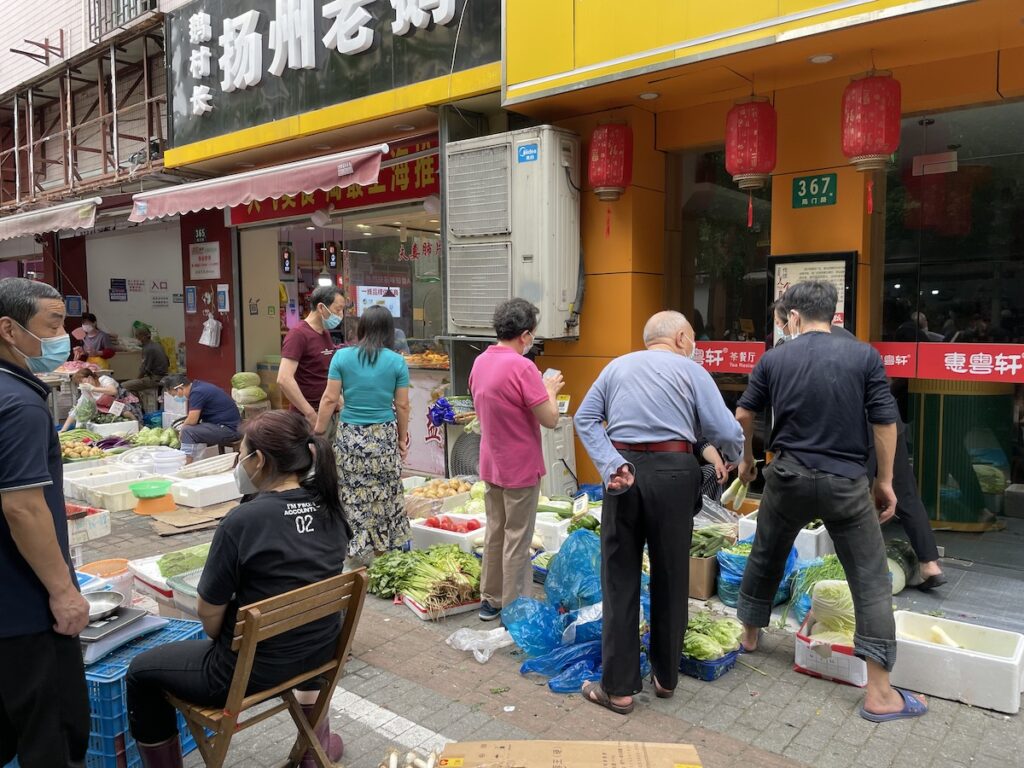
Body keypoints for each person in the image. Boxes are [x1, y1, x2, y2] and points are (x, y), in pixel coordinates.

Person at [736, 281, 927, 723]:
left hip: (787, 477)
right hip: (845, 481)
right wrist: (885, 482)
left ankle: (748, 636)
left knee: (766, 554)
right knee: (869, 580)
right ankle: (880, 693)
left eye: (783, 318)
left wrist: (748, 460)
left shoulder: (774, 358)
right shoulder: (863, 356)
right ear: (833, 316)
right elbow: (884, 423)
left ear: (795, 317)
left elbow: (744, 413)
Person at [125, 410, 351, 768]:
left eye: (241, 454)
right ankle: (313, 752)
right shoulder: (332, 509)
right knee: (298, 632)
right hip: (318, 655)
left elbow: (209, 617)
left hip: (245, 673)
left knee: (140, 672)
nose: (239, 463)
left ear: (258, 460)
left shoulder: (242, 521)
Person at [574, 310, 744, 714]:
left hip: (624, 472)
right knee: (671, 575)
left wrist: (610, 463)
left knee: (620, 578)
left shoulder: (616, 367)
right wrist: (736, 457)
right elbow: (725, 430)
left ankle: (617, 690)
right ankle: (665, 678)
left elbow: (585, 419)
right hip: (674, 474)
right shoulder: (691, 371)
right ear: (683, 337)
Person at [773, 300, 946, 589]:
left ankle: (865, 574)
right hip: (888, 425)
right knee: (904, 491)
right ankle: (930, 564)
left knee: (856, 502)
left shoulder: (803, 349)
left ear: (793, 319)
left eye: (780, 324)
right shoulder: (845, 337)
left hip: (859, 433)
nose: (780, 330)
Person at [0, 278, 90, 767]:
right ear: (9, 330)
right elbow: (23, 507)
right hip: (25, 606)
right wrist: (62, 591)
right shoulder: (18, 405)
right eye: (53, 324)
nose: (65, 336)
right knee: (54, 736)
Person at [468, 299, 565, 621]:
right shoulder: (523, 367)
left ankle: (490, 599)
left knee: (496, 532)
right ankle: (515, 608)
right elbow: (550, 418)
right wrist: (549, 389)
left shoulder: (480, 362)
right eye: (533, 336)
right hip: (520, 466)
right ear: (524, 335)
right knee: (517, 539)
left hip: (491, 463)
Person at [315, 305, 410, 563]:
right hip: (383, 438)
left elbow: (329, 399)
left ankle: (353, 557)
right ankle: (382, 556)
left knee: (351, 495)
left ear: (362, 328)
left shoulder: (342, 357)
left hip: (350, 439)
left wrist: (319, 431)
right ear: (390, 331)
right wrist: (402, 438)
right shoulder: (397, 361)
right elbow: (402, 405)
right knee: (384, 494)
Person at [278, 286, 344, 429]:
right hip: (307, 420)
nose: (341, 315)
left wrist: (338, 400)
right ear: (321, 307)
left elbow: (323, 373)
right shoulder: (298, 334)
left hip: (329, 413)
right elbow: (284, 379)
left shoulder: (324, 333)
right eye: (338, 309)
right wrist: (310, 414)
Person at [162, 373, 242, 463]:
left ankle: (186, 464)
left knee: (187, 431)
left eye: (174, 395)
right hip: (227, 426)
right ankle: (194, 460)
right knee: (189, 429)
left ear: (179, 389)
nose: (175, 398)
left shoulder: (197, 392)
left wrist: (183, 429)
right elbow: (193, 417)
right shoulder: (198, 387)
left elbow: (192, 420)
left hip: (230, 430)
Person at [61, 368, 144, 431]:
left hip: (124, 403)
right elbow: (77, 409)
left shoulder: (104, 379)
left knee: (127, 413)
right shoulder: (86, 390)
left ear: (90, 377)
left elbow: (113, 391)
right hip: (108, 410)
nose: (81, 384)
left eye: (82, 381)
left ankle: (139, 428)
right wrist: (63, 430)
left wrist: (93, 388)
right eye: (79, 383)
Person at [122, 327, 170, 393]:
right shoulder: (158, 345)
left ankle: (135, 402)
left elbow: (144, 369)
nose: (137, 339)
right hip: (164, 376)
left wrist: (136, 380)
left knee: (123, 386)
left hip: (156, 379)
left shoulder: (147, 349)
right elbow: (167, 362)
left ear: (143, 336)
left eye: (137, 336)